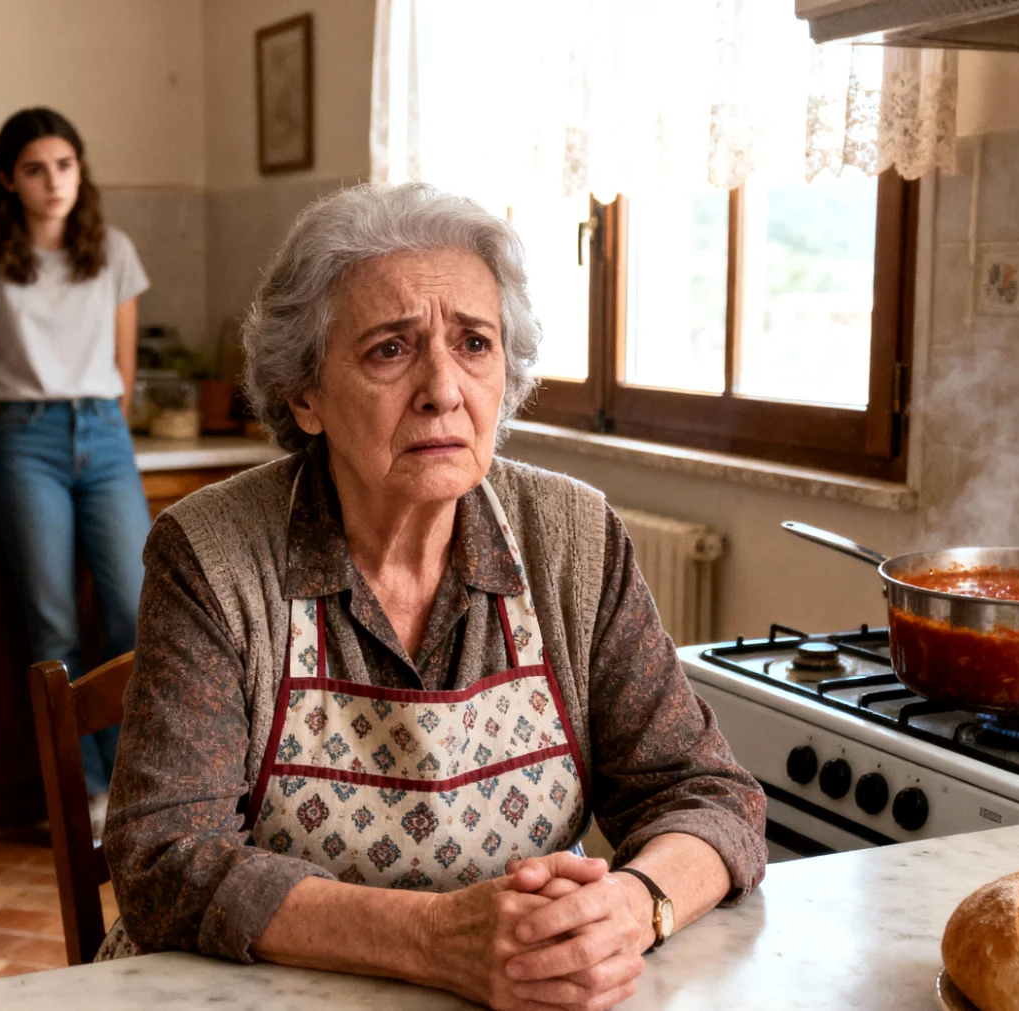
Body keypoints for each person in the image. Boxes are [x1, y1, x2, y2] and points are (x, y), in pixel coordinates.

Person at [102, 182, 767, 1009]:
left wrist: (633, 908)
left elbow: (708, 794)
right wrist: (434, 938)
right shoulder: (212, 554)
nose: (443, 389)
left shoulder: (574, 539)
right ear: (305, 394)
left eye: (474, 343)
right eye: (390, 350)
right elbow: (165, 855)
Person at [0, 108, 152, 835]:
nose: (53, 181)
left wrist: (102, 428)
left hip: (104, 434)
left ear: (79, 169)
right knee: (53, 619)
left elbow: (124, 365)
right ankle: (83, 791)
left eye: (64, 165)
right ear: (9, 180)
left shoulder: (113, 250)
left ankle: (133, 783)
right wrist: (10, 441)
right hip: (24, 438)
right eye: (35, 169)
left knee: (136, 607)